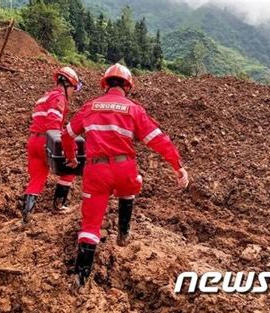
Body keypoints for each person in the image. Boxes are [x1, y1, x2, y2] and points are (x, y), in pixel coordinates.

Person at [61, 63, 189, 286]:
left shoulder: (90, 107)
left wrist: (72, 158)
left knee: (90, 225)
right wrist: (178, 167)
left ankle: (80, 277)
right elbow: (159, 141)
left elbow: (67, 135)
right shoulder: (134, 109)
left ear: (105, 84)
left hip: (95, 171)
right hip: (124, 168)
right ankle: (123, 234)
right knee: (129, 189)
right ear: (128, 86)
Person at [21, 66, 83, 223]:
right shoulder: (58, 98)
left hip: (33, 141)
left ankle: (27, 214)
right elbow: (53, 122)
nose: (73, 93)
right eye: (73, 88)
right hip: (46, 140)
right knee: (71, 167)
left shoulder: (44, 97)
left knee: (37, 177)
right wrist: (62, 145)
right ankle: (59, 204)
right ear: (67, 84)